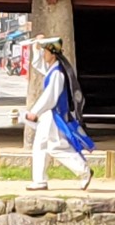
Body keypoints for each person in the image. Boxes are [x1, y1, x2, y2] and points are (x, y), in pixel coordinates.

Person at [18, 40, 96, 189]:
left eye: (46, 52)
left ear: (52, 55)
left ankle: (84, 170)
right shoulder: (53, 69)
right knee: (41, 145)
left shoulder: (57, 73)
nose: (44, 55)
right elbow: (39, 64)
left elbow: (50, 97)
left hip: (54, 115)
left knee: (55, 147)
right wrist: (37, 49)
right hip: (49, 115)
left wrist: (34, 112)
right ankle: (39, 180)